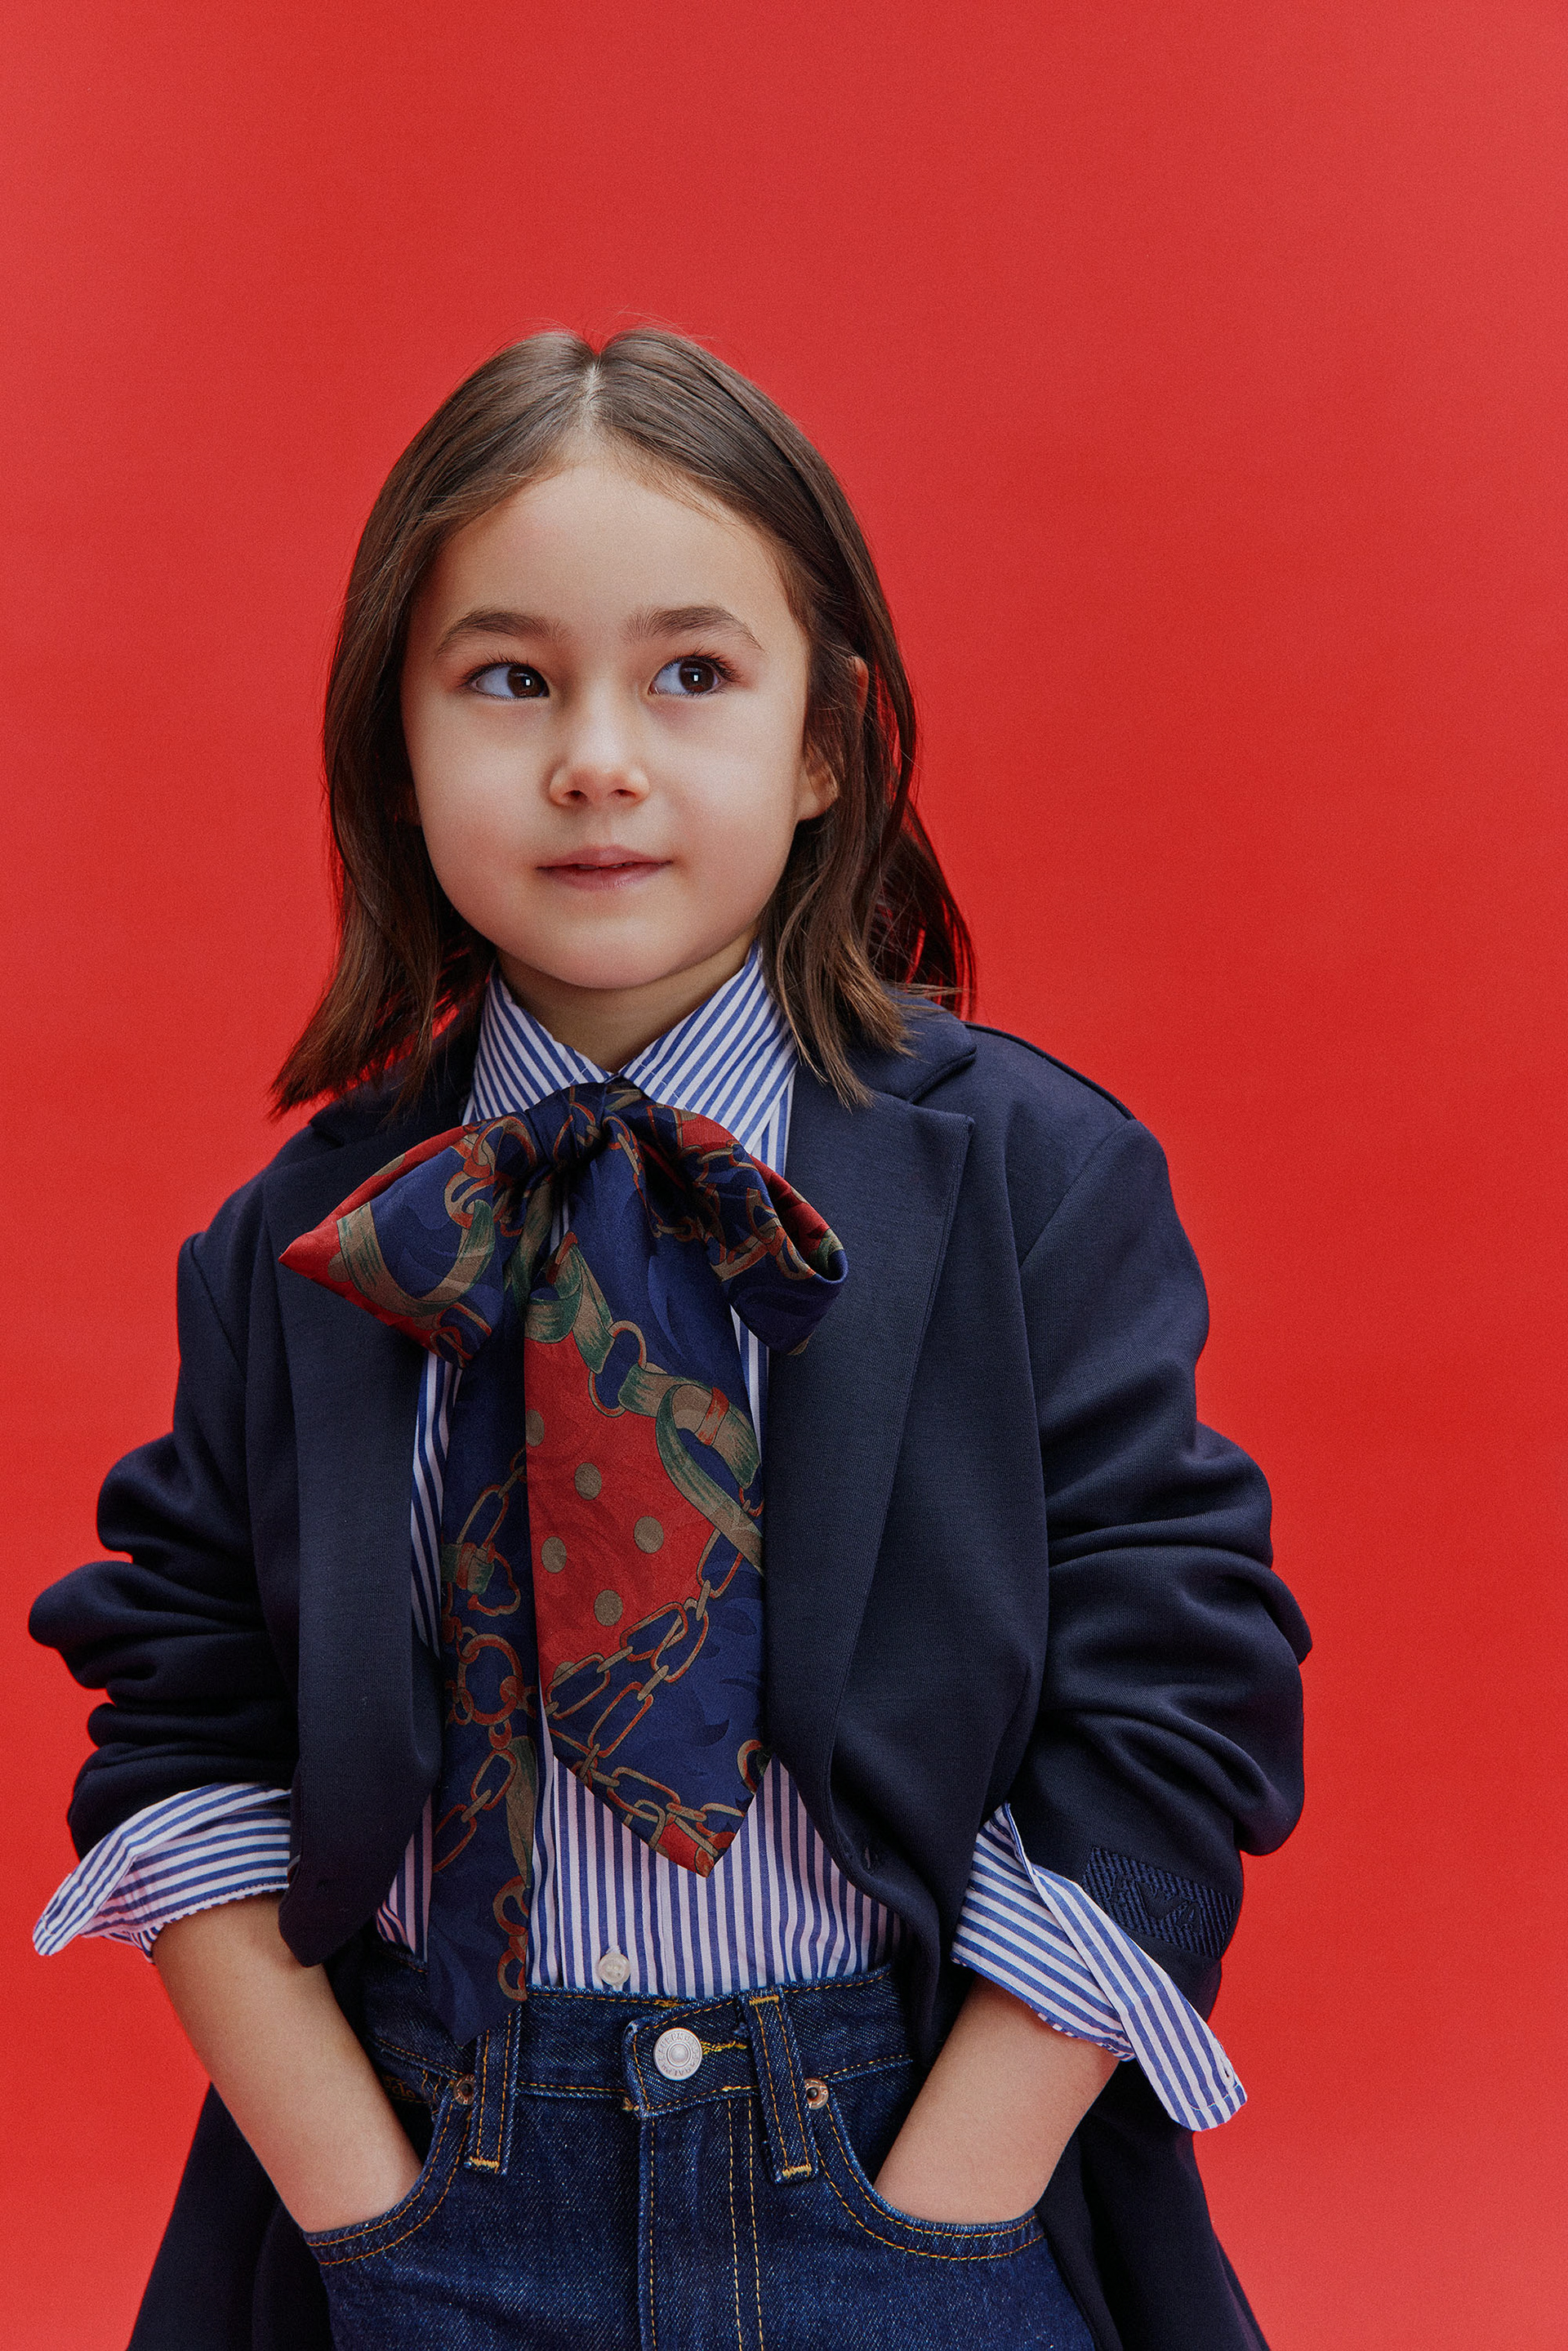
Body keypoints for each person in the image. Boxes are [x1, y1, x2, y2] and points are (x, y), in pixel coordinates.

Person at [30, 327, 1311, 2351]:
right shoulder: (306, 1240)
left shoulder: (1034, 1181)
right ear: (394, 747)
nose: (598, 760)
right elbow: (183, 1721)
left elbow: (1175, 1692)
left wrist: (944, 2211)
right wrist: (362, 2209)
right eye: (508, 679)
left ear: (829, 745)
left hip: (903, 2164)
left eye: (693, 673)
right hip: (433, 2181)